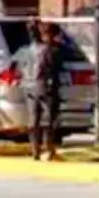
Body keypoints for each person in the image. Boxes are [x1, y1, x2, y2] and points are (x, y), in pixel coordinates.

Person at [30, 18, 68, 162]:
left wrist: (35, 26)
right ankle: (50, 149)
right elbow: (59, 64)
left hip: (33, 87)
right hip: (49, 87)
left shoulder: (34, 48)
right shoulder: (55, 49)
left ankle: (35, 150)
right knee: (50, 121)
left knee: (35, 121)